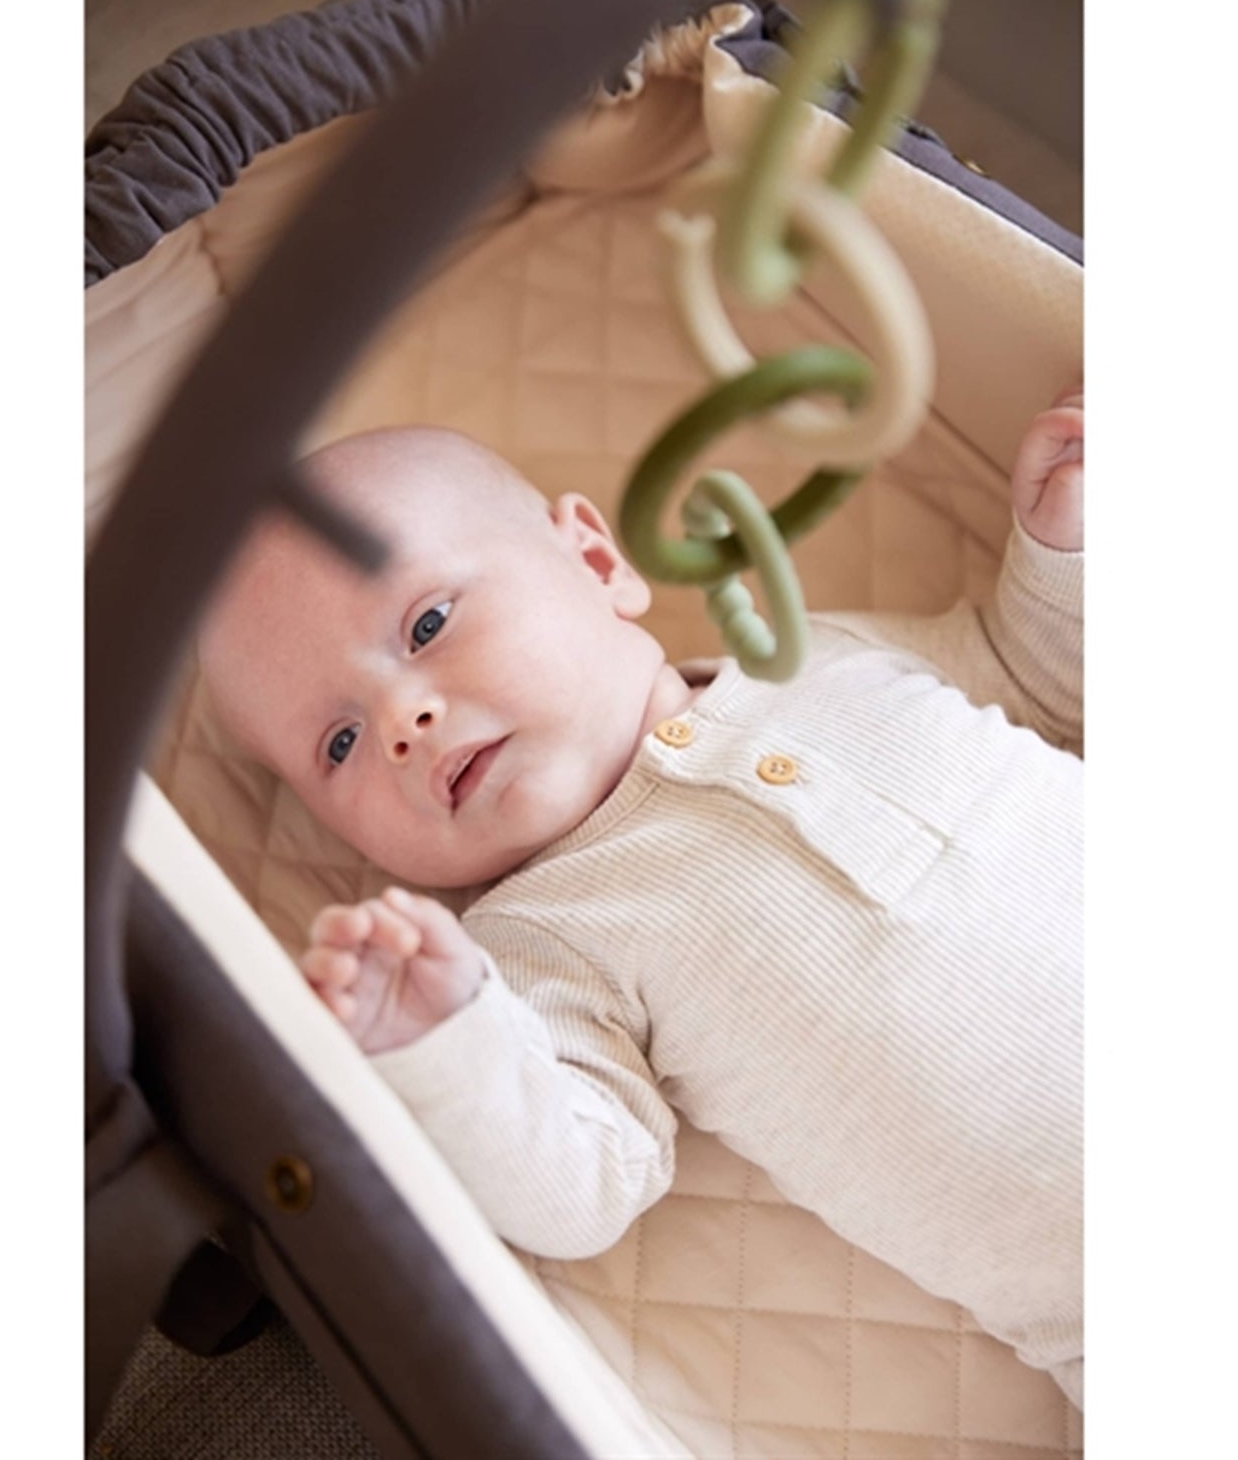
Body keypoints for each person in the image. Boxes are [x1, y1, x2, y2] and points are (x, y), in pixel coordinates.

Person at [198, 393, 1086, 1406]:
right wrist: (446, 1044)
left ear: (594, 560)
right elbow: (583, 1188)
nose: (402, 719)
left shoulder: (812, 652)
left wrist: (1061, 553)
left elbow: (1033, 683)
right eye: (341, 742)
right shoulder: (537, 940)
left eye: (427, 624)